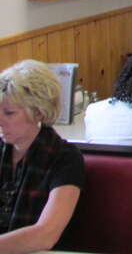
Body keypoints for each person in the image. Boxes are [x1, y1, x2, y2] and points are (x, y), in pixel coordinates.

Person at [0, 60, 83, 252]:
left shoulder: (64, 158)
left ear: (38, 113)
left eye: (9, 113)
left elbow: (46, 234)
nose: (0, 121)